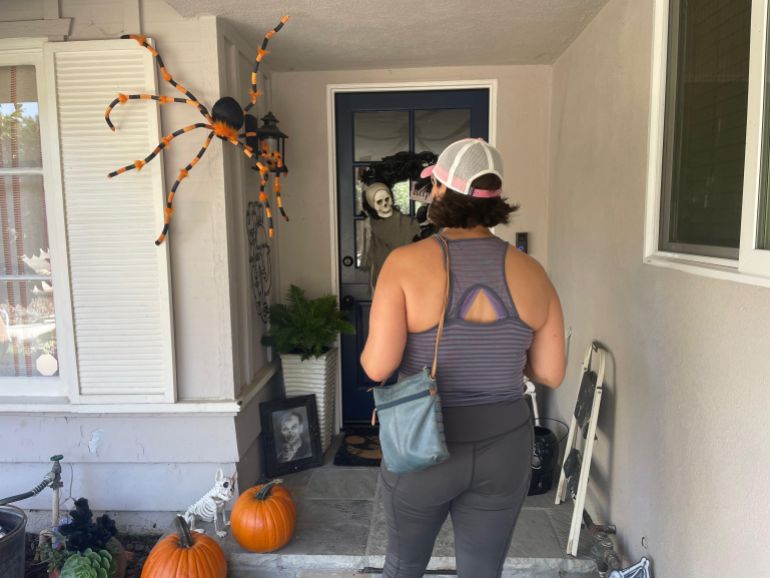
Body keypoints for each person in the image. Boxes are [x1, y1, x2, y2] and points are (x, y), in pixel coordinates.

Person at [361, 138, 566, 578]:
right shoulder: (533, 272)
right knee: (482, 571)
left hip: (423, 443)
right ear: (495, 199)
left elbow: (377, 366)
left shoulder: (404, 264)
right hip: (505, 447)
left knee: (403, 566)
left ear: (439, 190)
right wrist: (500, 349)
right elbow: (550, 372)